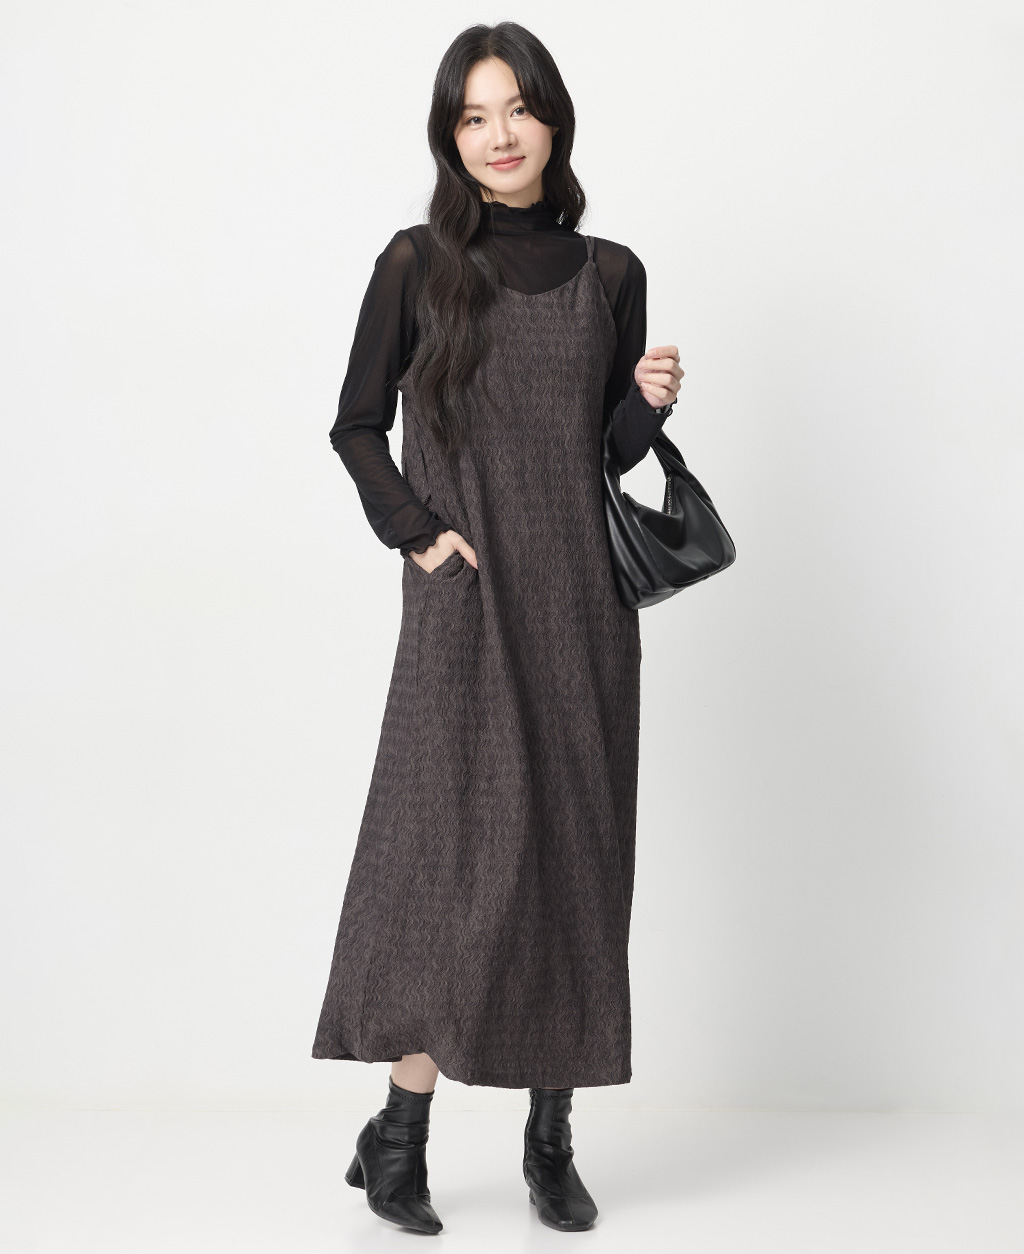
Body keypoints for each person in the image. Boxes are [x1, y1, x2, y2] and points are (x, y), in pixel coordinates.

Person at [312, 21, 684, 1235]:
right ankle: (399, 1134)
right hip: (464, 604)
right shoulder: (418, 263)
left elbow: (597, 459)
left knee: (572, 858)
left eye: (516, 108)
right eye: (473, 117)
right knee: (441, 861)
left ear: (552, 119)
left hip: (580, 609)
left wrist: (643, 407)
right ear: (451, 137)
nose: (499, 134)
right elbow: (356, 424)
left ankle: (549, 1137)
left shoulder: (612, 272)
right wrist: (417, 533)